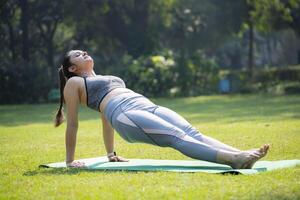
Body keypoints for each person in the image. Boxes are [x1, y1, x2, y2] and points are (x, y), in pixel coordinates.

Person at [54, 50, 269, 169]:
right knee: (176, 137)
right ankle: (234, 161)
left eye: (84, 52)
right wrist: (70, 161)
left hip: (146, 105)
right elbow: (73, 123)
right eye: (78, 55)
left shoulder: (103, 77)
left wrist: (111, 154)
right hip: (124, 114)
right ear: (72, 68)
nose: (84, 53)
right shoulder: (74, 84)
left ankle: (240, 154)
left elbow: (104, 123)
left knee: (193, 133)